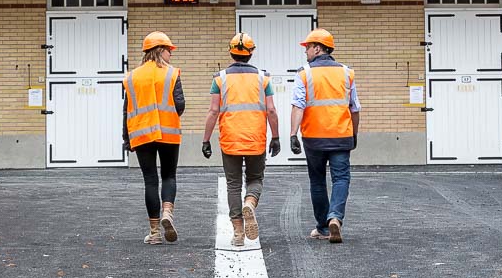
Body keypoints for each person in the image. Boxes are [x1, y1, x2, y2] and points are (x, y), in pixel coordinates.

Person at [200, 32, 281, 248]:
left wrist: (205, 140)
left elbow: (213, 111)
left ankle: (238, 233)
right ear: (251, 53)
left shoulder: (220, 78)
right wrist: (276, 137)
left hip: (230, 140)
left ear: (231, 52)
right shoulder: (263, 78)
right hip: (255, 139)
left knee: (233, 184)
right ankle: (250, 203)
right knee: (255, 179)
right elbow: (271, 110)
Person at [288, 28, 357, 243]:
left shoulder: (304, 73)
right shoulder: (347, 73)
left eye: (307, 47)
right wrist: (354, 134)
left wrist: (293, 134)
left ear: (318, 48)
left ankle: (323, 228)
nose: (305, 51)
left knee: (317, 181)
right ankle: (335, 216)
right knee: (341, 178)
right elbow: (355, 108)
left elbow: (298, 106)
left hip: (314, 138)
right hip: (340, 135)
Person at [123, 31, 185, 245]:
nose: (171, 54)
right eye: (169, 50)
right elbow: (180, 105)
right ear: (161, 50)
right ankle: (168, 211)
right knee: (169, 176)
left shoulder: (131, 77)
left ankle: (155, 232)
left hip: (141, 134)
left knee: (150, 180)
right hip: (168, 133)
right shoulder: (172, 74)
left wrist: (126, 138)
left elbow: (126, 110)